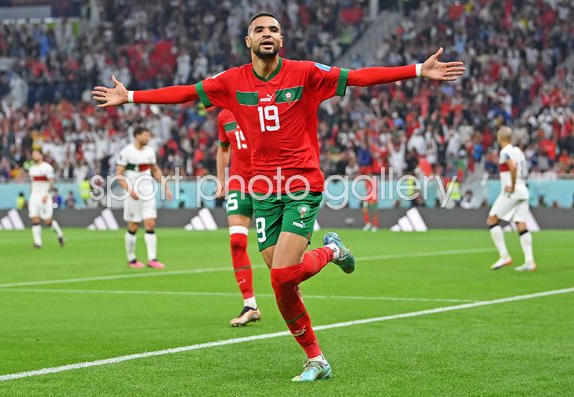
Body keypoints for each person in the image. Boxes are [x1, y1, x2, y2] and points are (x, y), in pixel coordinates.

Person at [93, 12, 464, 381]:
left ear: (281, 41)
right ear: (248, 41)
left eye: (273, 29)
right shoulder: (231, 81)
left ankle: (323, 308)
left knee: (282, 276)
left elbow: (359, 77)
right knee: (280, 276)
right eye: (259, 30)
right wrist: (130, 97)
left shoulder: (305, 73)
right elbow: (188, 93)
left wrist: (416, 70)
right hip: (262, 190)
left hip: (302, 183)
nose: (267, 34)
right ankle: (319, 344)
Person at [215, 108, 261, 327]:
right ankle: (250, 305)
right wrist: (221, 178)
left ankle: (292, 286)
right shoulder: (224, 116)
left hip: (268, 181)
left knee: (275, 251)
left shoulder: (261, 103)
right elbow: (223, 148)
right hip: (239, 182)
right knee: (237, 242)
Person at [116, 127, 172, 269]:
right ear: (137, 136)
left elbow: (155, 170)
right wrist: (129, 190)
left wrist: (166, 186)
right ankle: (131, 259)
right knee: (133, 225)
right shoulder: (126, 152)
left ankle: (152, 259)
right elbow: (119, 175)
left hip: (147, 191)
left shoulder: (150, 152)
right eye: (145, 135)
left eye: (149, 135)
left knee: (150, 223)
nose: (148, 138)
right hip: (132, 193)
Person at [487, 126, 537, 271]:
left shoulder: (505, 151)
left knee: (492, 220)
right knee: (520, 224)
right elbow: (521, 168)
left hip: (513, 190)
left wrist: (512, 186)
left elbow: (513, 167)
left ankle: (504, 256)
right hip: (523, 190)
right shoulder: (518, 151)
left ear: (499, 138)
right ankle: (529, 261)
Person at [28, 149, 65, 248]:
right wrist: (31, 195)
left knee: (47, 221)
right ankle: (38, 243)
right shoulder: (32, 169)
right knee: (34, 219)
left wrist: (47, 194)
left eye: (36, 154)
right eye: (33, 154)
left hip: (44, 195)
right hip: (34, 196)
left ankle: (60, 235)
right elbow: (32, 183)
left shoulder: (47, 167)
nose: (34, 156)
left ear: (41, 155)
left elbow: (51, 182)